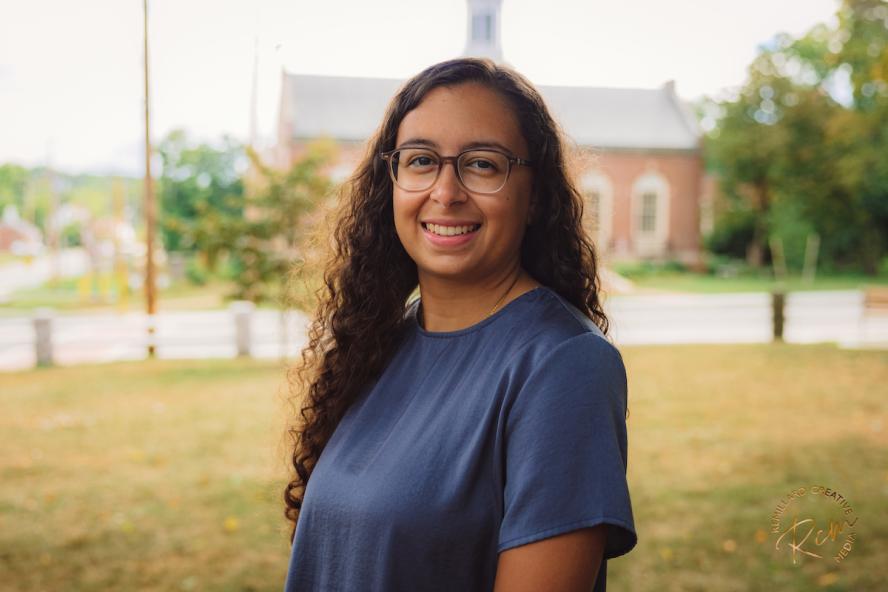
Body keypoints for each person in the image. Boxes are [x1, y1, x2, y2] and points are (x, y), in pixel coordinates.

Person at [282, 57, 637, 592]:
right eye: (421, 160)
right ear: (393, 181)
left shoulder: (563, 366)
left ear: (535, 194)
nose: (445, 193)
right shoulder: (381, 342)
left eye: (482, 164)